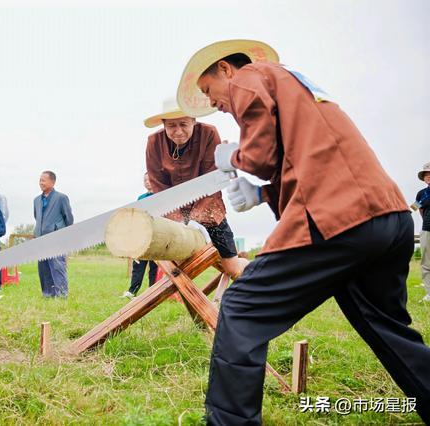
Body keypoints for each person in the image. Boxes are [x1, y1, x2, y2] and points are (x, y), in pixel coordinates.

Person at [176, 39, 430, 424]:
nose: (216, 104)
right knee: (385, 326)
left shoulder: (248, 77)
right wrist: (262, 193)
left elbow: (261, 157)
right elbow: (306, 155)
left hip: (340, 218)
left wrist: (234, 156)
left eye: (210, 93)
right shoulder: (297, 86)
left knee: (243, 307)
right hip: (387, 216)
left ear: (225, 69)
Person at [144, 98, 248, 279]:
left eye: (183, 124)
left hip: (209, 208)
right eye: (171, 126)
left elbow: (212, 181)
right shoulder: (154, 142)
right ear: (163, 125)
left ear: (193, 120)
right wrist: (179, 221)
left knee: (232, 269)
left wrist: (196, 219)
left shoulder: (208, 133)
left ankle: (248, 268)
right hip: (173, 213)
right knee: (179, 271)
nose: (178, 131)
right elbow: (159, 185)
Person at [34, 170, 74, 298]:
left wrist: (63, 234)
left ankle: (62, 294)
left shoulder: (61, 198)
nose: (41, 183)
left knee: (57, 266)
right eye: (40, 180)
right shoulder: (36, 200)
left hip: (57, 239)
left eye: (44, 180)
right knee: (43, 267)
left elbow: (68, 218)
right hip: (41, 238)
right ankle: (48, 294)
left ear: (52, 181)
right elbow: (37, 217)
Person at [122, 172, 159, 299]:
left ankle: (152, 291)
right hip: (142, 235)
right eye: (145, 180)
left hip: (157, 235)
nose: (147, 182)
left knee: (155, 266)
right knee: (138, 265)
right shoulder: (141, 197)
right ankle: (132, 291)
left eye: (149, 179)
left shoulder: (160, 195)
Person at [415, 162, 430, 302]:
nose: (428, 176)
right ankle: (429, 292)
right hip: (426, 230)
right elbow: (415, 207)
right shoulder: (421, 194)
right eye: (426, 175)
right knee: (426, 262)